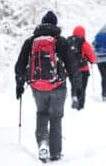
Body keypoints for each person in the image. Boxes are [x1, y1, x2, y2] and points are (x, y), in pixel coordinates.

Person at [14, 11, 82, 162]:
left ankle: (43, 144)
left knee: (42, 114)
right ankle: (55, 153)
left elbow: (20, 65)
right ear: (55, 25)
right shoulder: (61, 42)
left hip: (37, 87)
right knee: (56, 118)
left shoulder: (31, 41)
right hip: (58, 86)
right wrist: (77, 85)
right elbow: (72, 65)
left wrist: (19, 84)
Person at [67, 25, 97, 110]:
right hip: (83, 70)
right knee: (82, 88)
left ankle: (74, 97)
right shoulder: (84, 43)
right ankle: (80, 106)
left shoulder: (68, 42)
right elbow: (92, 57)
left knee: (74, 85)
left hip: (71, 70)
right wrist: (91, 60)